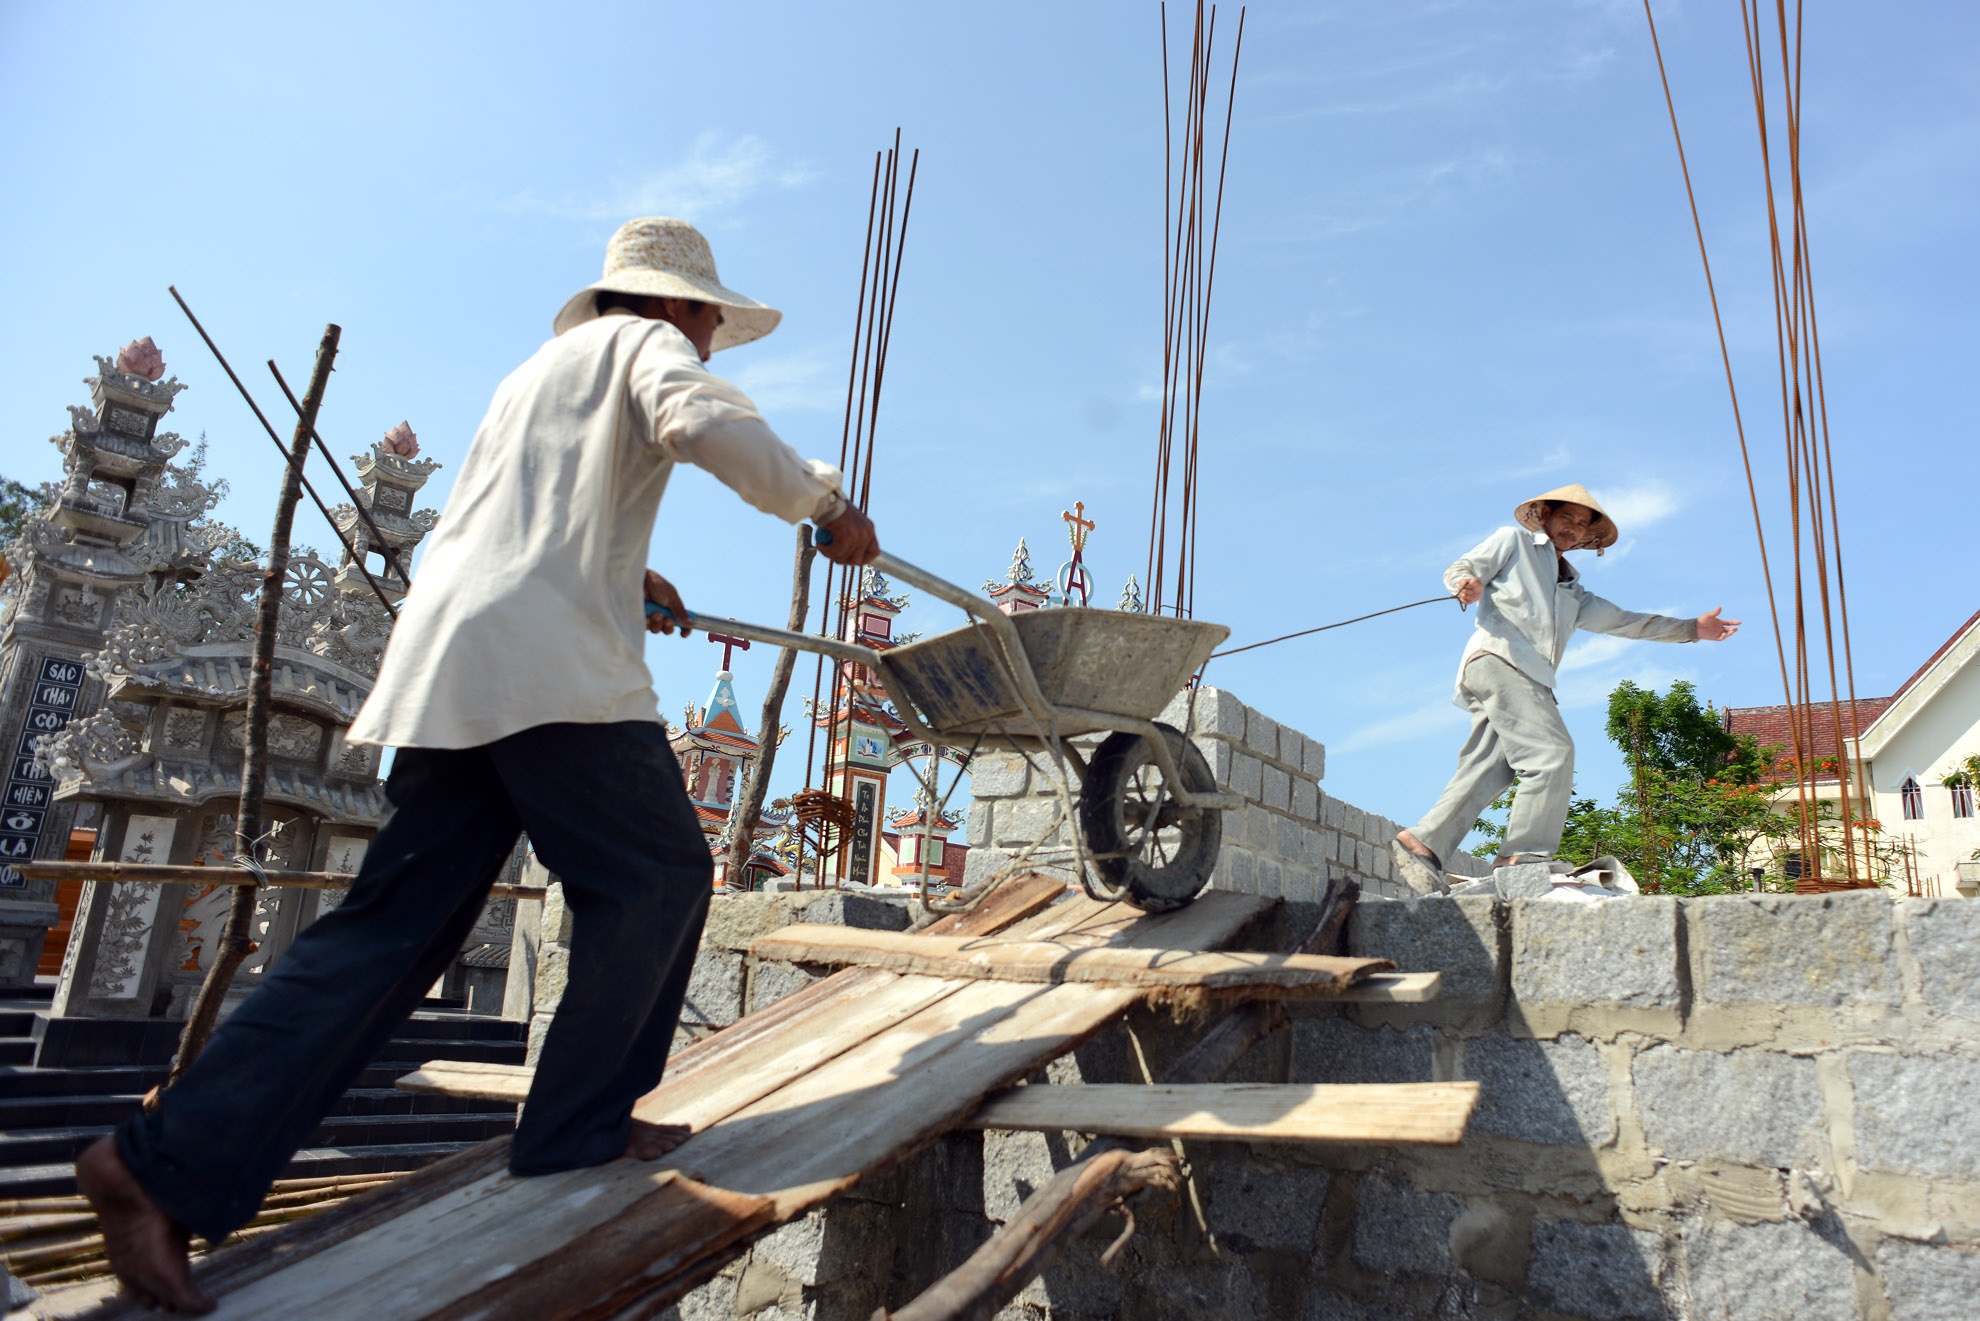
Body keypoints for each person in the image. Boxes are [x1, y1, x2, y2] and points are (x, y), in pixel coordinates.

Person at [75, 217, 880, 1312]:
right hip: (550, 668)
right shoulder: (653, 351)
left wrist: (633, 570)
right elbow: (704, 423)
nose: (709, 337)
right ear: (680, 305)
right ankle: (576, 1126)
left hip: (455, 665)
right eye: (709, 319)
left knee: (390, 926)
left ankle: (157, 1165)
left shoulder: (536, 372)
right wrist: (826, 505)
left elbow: (526, 517)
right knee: (657, 878)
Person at [1391, 484, 1738, 894]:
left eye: (1580, 523)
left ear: (1586, 536)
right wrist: (1466, 583)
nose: (1572, 528)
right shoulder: (1514, 542)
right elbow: (1464, 567)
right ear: (1546, 517)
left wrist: (1690, 629)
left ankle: (1423, 842)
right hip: (1500, 660)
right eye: (1565, 518)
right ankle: (1524, 856)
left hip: (1531, 678)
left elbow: (1627, 621)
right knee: (1552, 754)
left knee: (1491, 767)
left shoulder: (1573, 592)